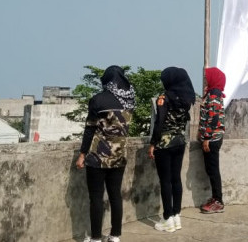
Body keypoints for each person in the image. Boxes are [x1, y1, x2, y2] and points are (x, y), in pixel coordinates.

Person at [76, 65, 135, 242]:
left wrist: (82, 154)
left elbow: (89, 130)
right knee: (115, 195)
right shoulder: (130, 101)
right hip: (119, 156)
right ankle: (115, 235)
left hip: (98, 157)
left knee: (96, 198)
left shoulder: (98, 100)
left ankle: (95, 238)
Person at [148, 66, 196, 233]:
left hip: (164, 144)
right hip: (180, 142)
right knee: (176, 179)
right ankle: (176, 216)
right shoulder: (187, 98)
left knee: (165, 181)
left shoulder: (164, 97)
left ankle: (167, 217)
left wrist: (153, 144)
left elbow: (159, 122)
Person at [198, 67, 226, 213]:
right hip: (212, 137)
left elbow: (213, 117)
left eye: (207, 77)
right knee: (211, 169)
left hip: (212, 138)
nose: (205, 79)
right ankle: (216, 198)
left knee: (213, 170)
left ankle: (218, 201)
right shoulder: (212, 93)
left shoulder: (214, 94)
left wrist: (207, 137)